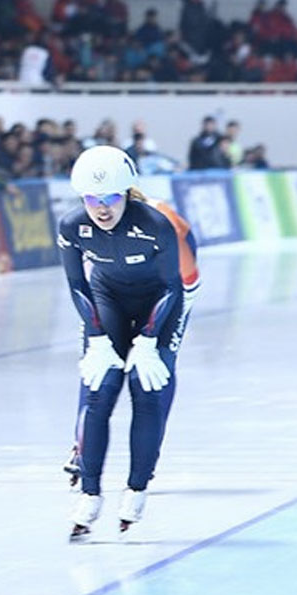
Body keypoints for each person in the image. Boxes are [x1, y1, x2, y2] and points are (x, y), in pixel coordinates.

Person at [57, 146, 199, 540]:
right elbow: (77, 284)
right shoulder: (72, 226)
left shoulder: (163, 225)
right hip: (109, 300)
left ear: (127, 193)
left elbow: (178, 286)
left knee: (147, 387)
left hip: (162, 301)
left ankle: (137, 489)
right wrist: (97, 337)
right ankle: (89, 494)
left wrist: (152, 341)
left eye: (111, 199)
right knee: (98, 389)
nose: (101, 209)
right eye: (92, 200)